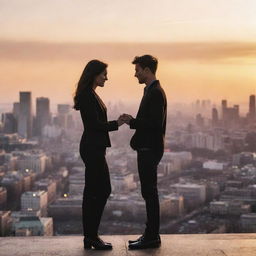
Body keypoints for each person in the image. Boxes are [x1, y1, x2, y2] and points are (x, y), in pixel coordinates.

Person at [74, 60, 124, 250]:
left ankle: (91, 236)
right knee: (100, 190)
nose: (106, 77)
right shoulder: (88, 96)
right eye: (104, 74)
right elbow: (94, 125)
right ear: (94, 75)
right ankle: (91, 236)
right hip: (92, 148)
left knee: (94, 191)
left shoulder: (91, 94)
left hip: (94, 147)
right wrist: (116, 124)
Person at [121, 55, 167, 249]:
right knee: (148, 192)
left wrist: (132, 121)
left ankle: (152, 236)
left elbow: (154, 124)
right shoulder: (151, 90)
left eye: (137, 70)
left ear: (147, 70)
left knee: (150, 193)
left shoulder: (155, 92)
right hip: (147, 147)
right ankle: (150, 234)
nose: (135, 74)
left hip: (149, 148)